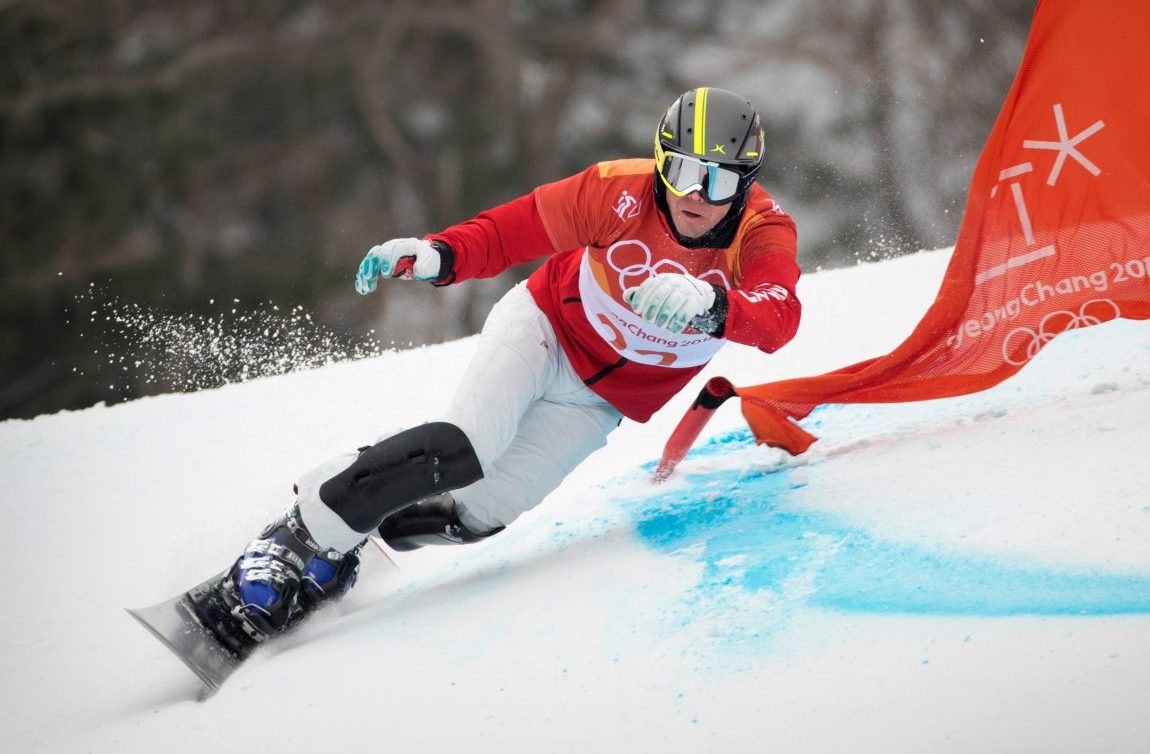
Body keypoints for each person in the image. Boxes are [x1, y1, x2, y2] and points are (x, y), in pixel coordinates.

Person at [193, 87, 802, 657]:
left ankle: (350, 539)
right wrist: (439, 254)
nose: (695, 195)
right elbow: (516, 229)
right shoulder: (617, 192)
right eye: (683, 171)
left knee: (476, 514)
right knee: (466, 446)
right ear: (660, 162)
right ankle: (296, 537)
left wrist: (715, 305)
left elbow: (780, 319)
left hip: (598, 401)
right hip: (544, 330)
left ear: (745, 184)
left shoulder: (761, 232)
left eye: (717, 180)